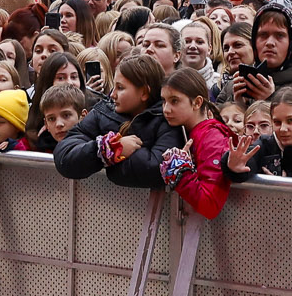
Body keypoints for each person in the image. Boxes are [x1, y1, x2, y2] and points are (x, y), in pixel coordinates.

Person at [55, 53, 179, 188]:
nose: (113, 94)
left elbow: (156, 169)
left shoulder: (167, 120)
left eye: (120, 88)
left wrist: (112, 161)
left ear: (144, 92)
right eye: (114, 86)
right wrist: (109, 149)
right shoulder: (102, 112)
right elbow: (65, 156)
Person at [157, 66, 236, 219]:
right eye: (163, 101)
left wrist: (180, 171)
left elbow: (210, 205)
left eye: (174, 101)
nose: (166, 109)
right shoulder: (192, 131)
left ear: (197, 102)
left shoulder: (212, 139)